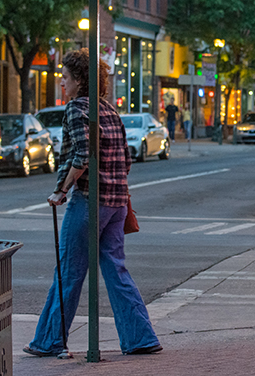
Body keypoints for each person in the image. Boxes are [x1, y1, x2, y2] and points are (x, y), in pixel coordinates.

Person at [25, 48, 161, 357]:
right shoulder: (110, 110)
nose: (62, 84)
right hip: (117, 203)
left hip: (88, 202)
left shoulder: (76, 108)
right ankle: (140, 337)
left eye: (65, 78)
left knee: (69, 273)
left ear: (79, 81)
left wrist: (60, 190)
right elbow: (126, 159)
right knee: (116, 270)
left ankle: (49, 341)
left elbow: (81, 155)